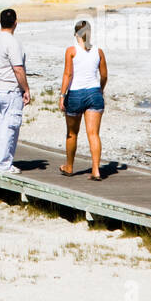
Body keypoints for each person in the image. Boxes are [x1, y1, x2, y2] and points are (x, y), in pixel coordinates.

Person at [59, 19, 107, 181]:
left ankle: (69, 167)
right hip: (94, 93)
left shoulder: (71, 51)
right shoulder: (98, 51)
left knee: (72, 133)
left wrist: (62, 95)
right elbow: (104, 75)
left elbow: (68, 74)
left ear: (75, 34)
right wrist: (100, 89)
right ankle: (96, 170)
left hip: (76, 94)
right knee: (93, 134)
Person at [0, 8, 30, 175]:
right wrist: (26, 89)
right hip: (9, 89)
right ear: (15, 23)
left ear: (0, 21)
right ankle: (4, 164)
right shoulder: (13, 42)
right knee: (10, 126)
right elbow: (18, 69)